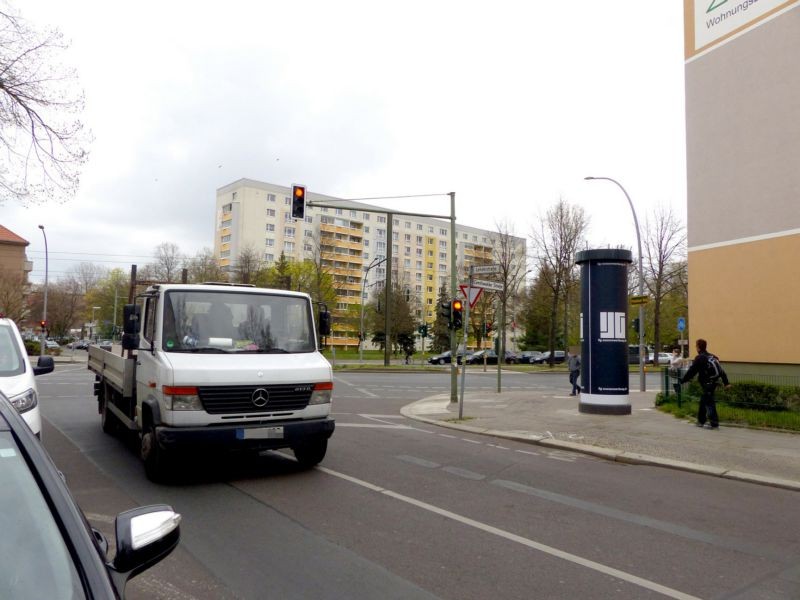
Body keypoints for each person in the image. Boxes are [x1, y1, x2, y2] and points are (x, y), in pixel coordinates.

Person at [680, 338, 731, 429]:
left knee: (709, 403)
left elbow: (692, 371)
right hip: (714, 382)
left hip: (707, 383)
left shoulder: (700, 358)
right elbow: (721, 371)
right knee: (704, 401)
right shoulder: (713, 357)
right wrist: (726, 383)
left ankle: (714, 423)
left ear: (698, 347)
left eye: (696, 346)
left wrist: (683, 380)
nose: (696, 347)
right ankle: (701, 421)